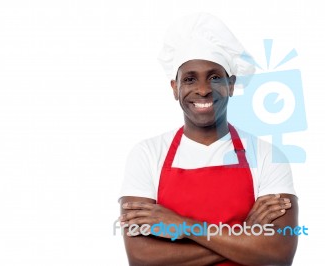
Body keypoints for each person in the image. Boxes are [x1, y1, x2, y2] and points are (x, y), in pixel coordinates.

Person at [118, 13, 298, 266]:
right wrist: (242, 236)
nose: (203, 89)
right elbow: (141, 257)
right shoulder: (147, 154)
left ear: (231, 85)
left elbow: (279, 253)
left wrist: (184, 226)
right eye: (190, 78)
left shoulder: (268, 155)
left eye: (215, 77)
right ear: (174, 88)